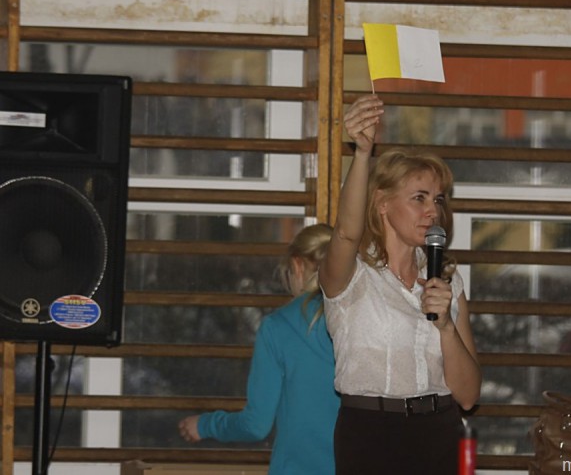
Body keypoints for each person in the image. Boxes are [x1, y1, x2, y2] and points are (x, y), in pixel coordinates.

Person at [319, 94, 482, 475]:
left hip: (440, 432)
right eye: (418, 198)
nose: (432, 211)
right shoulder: (353, 275)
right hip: (372, 433)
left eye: (437, 200)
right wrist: (362, 153)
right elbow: (345, 233)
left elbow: (469, 396)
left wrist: (446, 327)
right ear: (382, 203)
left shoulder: (448, 279)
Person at [178, 223, 339, 475]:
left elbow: (256, 425)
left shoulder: (278, 327)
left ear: (297, 266)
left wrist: (205, 425)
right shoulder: (360, 320)